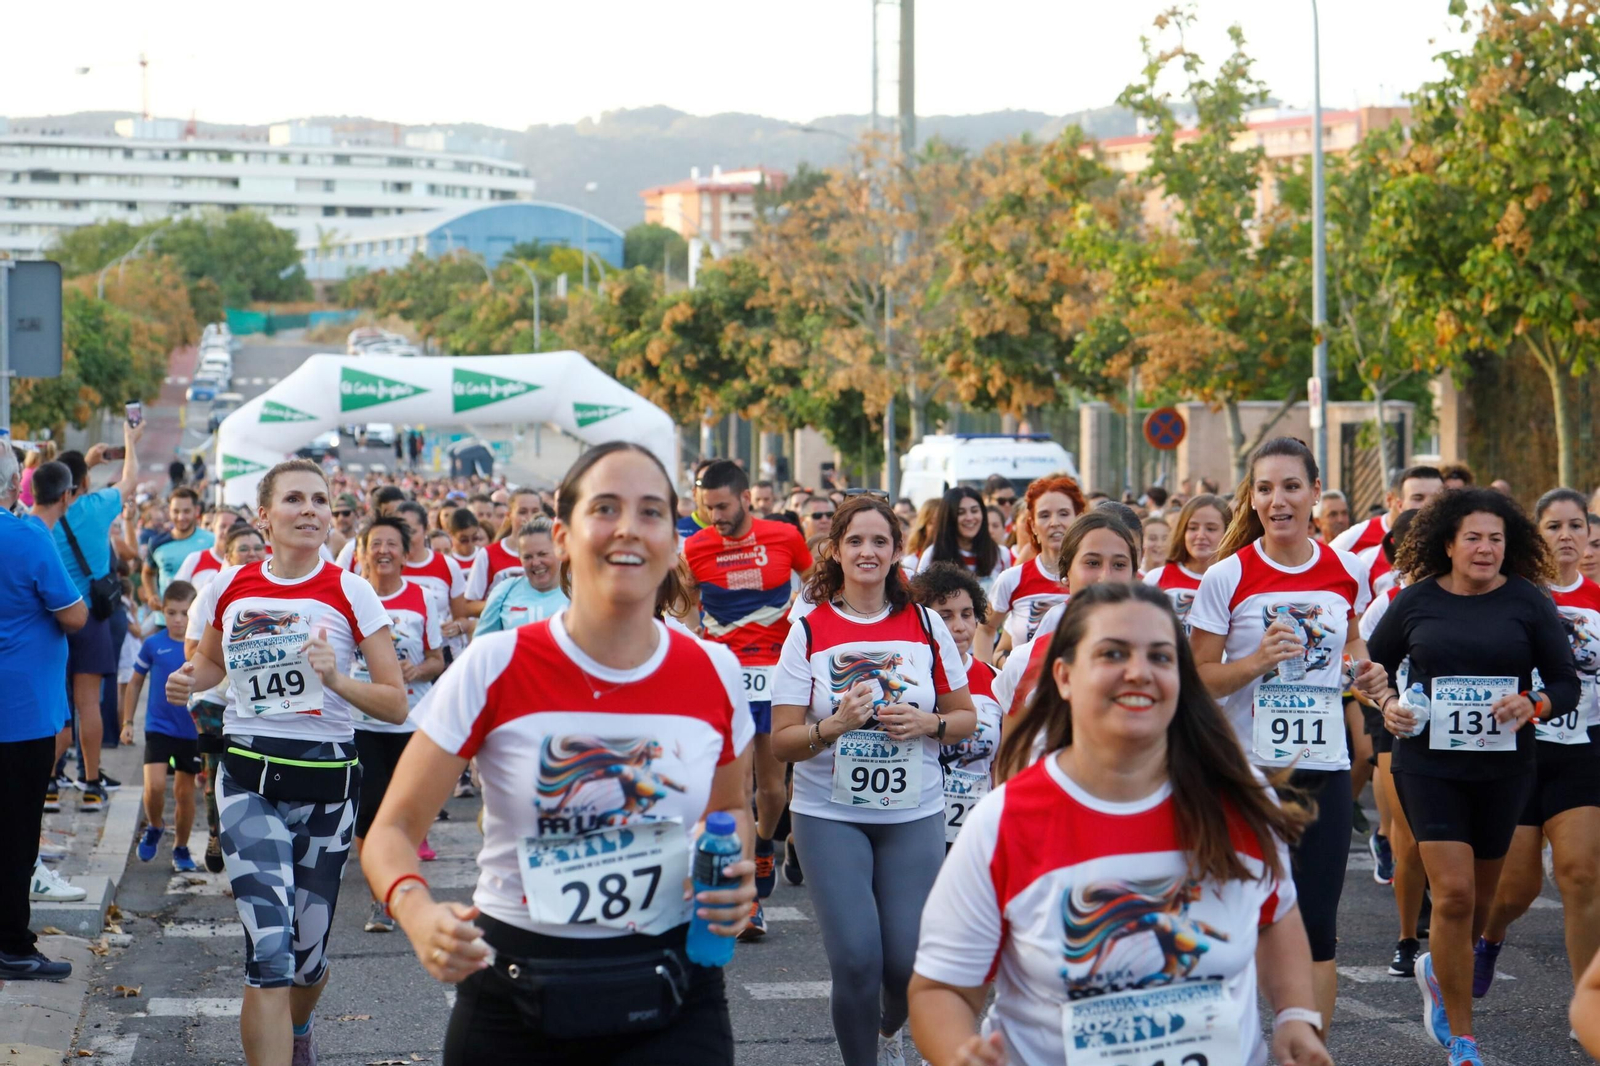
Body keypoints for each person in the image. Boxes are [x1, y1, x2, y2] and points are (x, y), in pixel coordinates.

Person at [360, 442, 757, 1066]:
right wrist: (417, 913)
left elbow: (731, 810)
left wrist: (732, 876)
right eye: (605, 508)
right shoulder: (497, 664)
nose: (628, 527)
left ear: (673, 539)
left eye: (651, 511)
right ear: (564, 534)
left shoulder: (714, 671)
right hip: (514, 995)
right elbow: (392, 830)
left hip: (675, 992)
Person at [908, 583, 1331, 1066]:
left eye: (1160, 657)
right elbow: (940, 990)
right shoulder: (1005, 822)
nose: (1138, 672)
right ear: (1064, 677)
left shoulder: (1236, 796)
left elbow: (1276, 915)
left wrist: (1296, 1017)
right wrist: (963, 1053)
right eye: (1112, 653)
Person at [165, 458, 408, 1066]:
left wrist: (337, 680)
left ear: (330, 516)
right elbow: (212, 667)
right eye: (295, 499)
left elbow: (394, 699)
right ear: (266, 516)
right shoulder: (231, 586)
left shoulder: (352, 592)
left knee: (307, 957)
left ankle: (298, 1033)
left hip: (328, 786)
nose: (309, 510)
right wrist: (188, 678)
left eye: (320, 501)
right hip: (249, 778)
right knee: (268, 954)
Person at [1369, 487, 1578, 1066]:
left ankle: (1439, 967)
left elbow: (1566, 683)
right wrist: (1387, 704)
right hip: (1429, 765)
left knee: (1483, 905)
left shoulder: (1529, 603)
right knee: (1455, 895)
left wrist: (1532, 704)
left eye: (1496, 539)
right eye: (1473, 538)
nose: (1485, 549)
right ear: (1449, 544)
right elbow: (1374, 667)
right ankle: (1464, 1039)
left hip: (1504, 768)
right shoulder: (1414, 602)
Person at [1189, 437, 1387, 1040]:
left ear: (1314, 495)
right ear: (1252, 498)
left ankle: (1308, 1052)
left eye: (1291, 487)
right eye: (1266, 489)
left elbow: (1353, 646)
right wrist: (1253, 662)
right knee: (1244, 920)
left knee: (1319, 925)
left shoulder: (1344, 570)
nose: (1278, 501)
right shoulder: (1228, 576)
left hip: (1322, 768)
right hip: (1247, 774)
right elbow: (1197, 678)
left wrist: (1366, 671)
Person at [770, 494, 976, 1066]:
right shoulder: (808, 629)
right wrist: (833, 726)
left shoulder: (926, 623)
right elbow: (781, 737)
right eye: (855, 541)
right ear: (835, 551)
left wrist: (927, 722)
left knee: (908, 962)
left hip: (913, 813)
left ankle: (891, 1022)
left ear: (895, 551)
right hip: (828, 814)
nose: (867, 551)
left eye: (879, 541)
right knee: (858, 959)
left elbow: (964, 720)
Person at [1473, 490, 1600, 1011]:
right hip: (1519, 754)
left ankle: (1587, 1006)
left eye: (1576, 526)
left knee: (1580, 873)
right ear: (1536, 536)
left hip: (1582, 751)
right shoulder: (1513, 597)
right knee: (1515, 890)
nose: (1566, 535)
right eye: (1553, 526)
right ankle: (1491, 938)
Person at [684, 459, 813, 939]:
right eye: (707, 507)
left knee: (773, 788)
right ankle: (748, 901)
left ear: (744, 499)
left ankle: (764, 845)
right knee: (733, 789)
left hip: (778, 674)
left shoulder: (784, 536)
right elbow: (678, 606)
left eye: (721, 506)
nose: (715, 516)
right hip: (724, 678)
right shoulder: (694, 548)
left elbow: (818, 586)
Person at [0, 454, 88, 981]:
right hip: (20, 712)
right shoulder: (26, 536)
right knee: (14, 836)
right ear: (15, 484)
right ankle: (12, 945)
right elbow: (74, 614)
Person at [353, 517, 444, 932]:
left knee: (405, 812)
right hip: (361, 722)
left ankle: (399, 888)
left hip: (410, 721)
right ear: (363, 551)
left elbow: (437, 661)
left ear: (406, 554)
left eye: (392, 544)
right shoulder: (351, 595)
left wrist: (415, 669)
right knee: (369, 811)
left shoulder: (423, 598)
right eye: (376, 544)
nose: (384, 551)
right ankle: (380, 898)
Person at [55, 420, 144, 808]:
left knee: (56, 704)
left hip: (54, 618)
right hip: (92, 617)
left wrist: (82, 465)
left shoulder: (41, 516)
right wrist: (129, 439)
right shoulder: (96, 506)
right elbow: (130, 479)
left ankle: (49, 783)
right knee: (88, 702)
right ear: (85, 482)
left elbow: (51, 478)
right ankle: (91, 784)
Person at [992, 512, 1140, 719]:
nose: (1106, 577)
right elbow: (1014, 748)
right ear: (1066, 573)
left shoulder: (1163, 654)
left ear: (1134, 574)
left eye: (1119, 565)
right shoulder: (1024, 662)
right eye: (1092, 563)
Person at [184, 523, 268, 875]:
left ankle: (255, 847)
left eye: (256, 547)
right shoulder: (212, 592)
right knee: (217, 771)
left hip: (261, 701)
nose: (251, 554)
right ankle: (217, 834)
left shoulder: (272, 591)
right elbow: (192, 651)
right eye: (243, 549)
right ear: (228, 556)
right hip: (214, 700)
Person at [909, 563, 1002, 848]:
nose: (959, 626)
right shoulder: (908, 682)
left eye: (967, 614)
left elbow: (1001, 766)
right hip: (914, 823)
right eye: (945, 616)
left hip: (976, 829)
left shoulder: (995, 680)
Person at [122, 580, 202, 872]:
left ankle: (181, 848)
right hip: (159, 726)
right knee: (154, 786)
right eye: (171, 613)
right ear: (162, 612)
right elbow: (134, 683)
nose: (178, 620)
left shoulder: (201, 647)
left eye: (185, 613)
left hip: (192, 730)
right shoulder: (153, 644)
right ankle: (155, 825)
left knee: (184, 792)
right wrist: (128, 722)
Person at [989, 476, 1085, 656]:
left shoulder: (1096, 576)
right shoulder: (1012, 579)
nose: (1054, 522)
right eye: (1044, 515)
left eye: (1063, 514)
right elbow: (985, 629)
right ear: (1033, 526)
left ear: (1079, 519)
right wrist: (991, 675)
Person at [1143, 492, 1231, 632]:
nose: (1200, 535)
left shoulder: (1235, 582)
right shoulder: (1156, 578)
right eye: (1193, 528)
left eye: (1211, 529)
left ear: (1227, 533)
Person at [1331, 465, 1446, 563]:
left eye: (1436, 498)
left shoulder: (1453, 538)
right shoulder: (1357, 538)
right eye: (1418, 498)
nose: (1428, 505)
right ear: (1399, 504)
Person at [476, 517, 568, 634]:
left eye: (542, 554)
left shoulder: (580, 592)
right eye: (527, 557)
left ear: (559, 551)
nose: (535, 562)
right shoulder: (505, 591)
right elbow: (482, 644)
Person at [148, 488, 216, 597]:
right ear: (169, 511)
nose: (181, 517)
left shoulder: (212, 541)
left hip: (200, 612)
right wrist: (151, 595)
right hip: (165, 613)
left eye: (186, 511)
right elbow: (147, 572)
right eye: (176, 511)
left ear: (197, 510)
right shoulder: (157, 542)